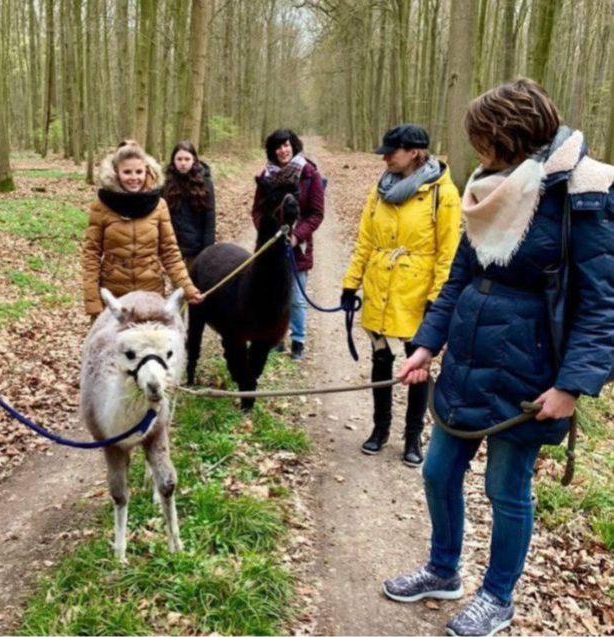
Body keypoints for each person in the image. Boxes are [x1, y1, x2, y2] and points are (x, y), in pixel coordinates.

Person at [386, 78, 614, 636]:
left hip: (531, 373)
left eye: (481, 139)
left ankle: (498, 596)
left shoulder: (583, 193)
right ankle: (443, 571)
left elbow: (602, 305)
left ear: (505, 136)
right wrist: (425, 345)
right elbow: (460, 275)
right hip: (466, 357)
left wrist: (572, 385)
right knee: (439, 472)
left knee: (506, 489)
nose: (475, 150)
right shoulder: (488, 186)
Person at [341, 124, 461, 466]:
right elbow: (365, 240)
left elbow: (447, 251)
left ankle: (412, 437)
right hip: (380, 286)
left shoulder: (443, 194)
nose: (385, 158)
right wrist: (351, 283)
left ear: (414, 152)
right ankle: (380, 430)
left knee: (417, 366)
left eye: (391, 152)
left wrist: (437, 298)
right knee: (380, 360)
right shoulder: (379, 191)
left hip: (417, 291)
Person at [82, 140, 202, 318]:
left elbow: (170, 252)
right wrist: (93, 301)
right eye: (127, 172)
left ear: (147, 171)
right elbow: (91, 255)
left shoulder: (159, 205)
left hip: (151, 292)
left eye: (139, 172)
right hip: (114, 296)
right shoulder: (101, 206)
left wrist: (188, 288)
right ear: (116, 173)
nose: (134, 177)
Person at [252, 129, 324, 361]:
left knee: (296, 297)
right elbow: (258, 210)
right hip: (270, 246)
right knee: (273, 295)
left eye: (286, 145)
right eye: (278, 147)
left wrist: (296, 236)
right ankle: (277, 338)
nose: (283, 150)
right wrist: (267, 232)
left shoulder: (309, 173)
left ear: (293, 146)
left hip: (296, 247)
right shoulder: (266, 175)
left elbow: (316, 213)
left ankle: (298, 340)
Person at [163, 140, 216, 270]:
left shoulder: (205, 182)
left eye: (187, 159)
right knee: (179, 287)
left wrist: (207, 250)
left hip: (197, 247)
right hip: (173, 247)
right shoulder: (165, 182)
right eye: (179, 159)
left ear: (194, 160)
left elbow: (210, 219)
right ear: (173, 160)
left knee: (195, 285)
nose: (183, 163)